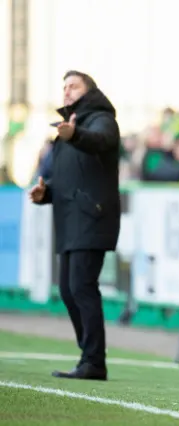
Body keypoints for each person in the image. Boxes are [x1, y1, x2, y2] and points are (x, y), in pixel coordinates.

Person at [28, 70, 121, 380]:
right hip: (71, 219)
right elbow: (71, 177)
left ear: (89, 90)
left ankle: (94, 361)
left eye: (73, 86)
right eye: (64, 86)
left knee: (81, 287)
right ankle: (89, 356)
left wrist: (75, 135)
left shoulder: (101, 118)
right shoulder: (70, 127)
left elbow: (101, 141)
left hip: (91, 217)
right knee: (69, 290)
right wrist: (47, 193)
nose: (66, 91)